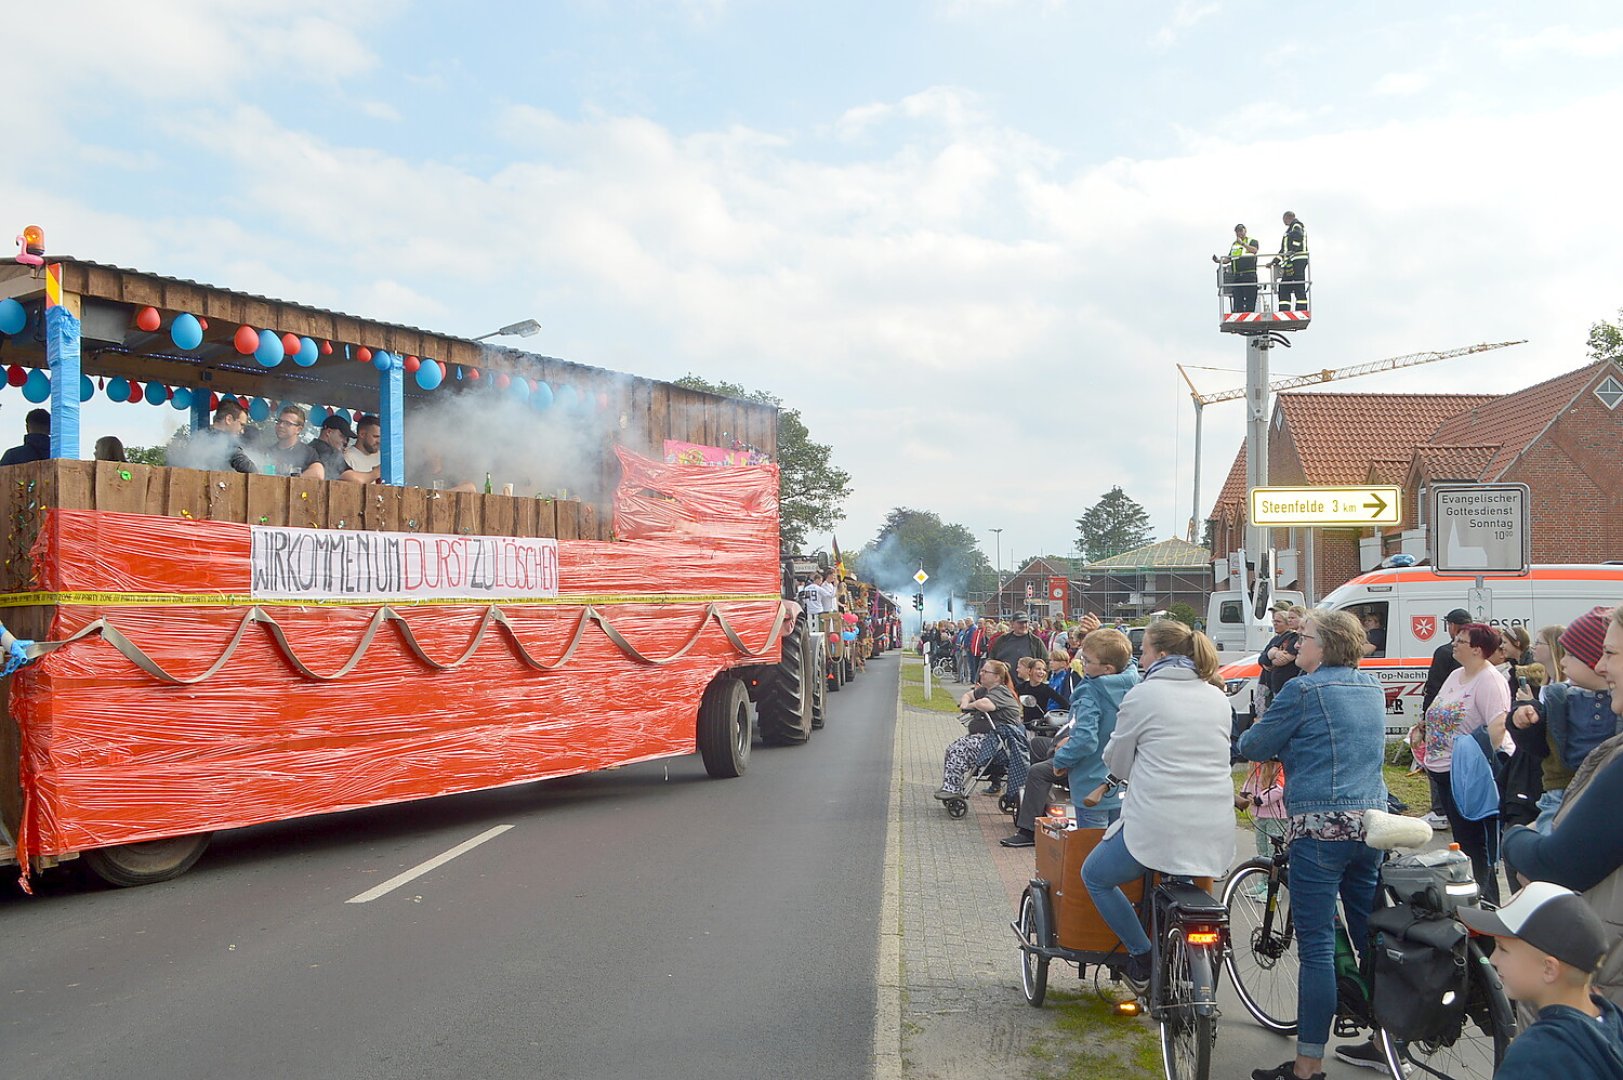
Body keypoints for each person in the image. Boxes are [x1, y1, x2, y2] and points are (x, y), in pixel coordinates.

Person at [1237, 610, 1390, 1080]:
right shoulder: (1372, 688)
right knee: (1373, 936)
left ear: (1323, 647)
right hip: (1371, 825)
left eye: (1302, 638)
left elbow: (1254, 744)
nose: (1295, 644)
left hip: (1320, 828)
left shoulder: (1303, 690)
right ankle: (1388, 1040)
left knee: (1318, 944)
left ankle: (1307, 1064)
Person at [1080, 620, 1234, 990]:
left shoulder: (1144, 695)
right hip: (1213, 823)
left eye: (1145, 650)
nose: (1141, 657)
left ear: (1161, 654)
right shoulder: (1216, 696)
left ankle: (1142, 955)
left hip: (1157, 824)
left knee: (1095, 876)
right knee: (1184, 883)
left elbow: (1117, 761)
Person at [1502, 604, 1623, 1008]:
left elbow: (1560, 861)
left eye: (1611, 654)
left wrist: (1514, 838)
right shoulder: (1560, 698)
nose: (1602, 667)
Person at [1455, 883, 1623, 1076]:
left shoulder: (1533, 1057)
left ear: (1549, 969)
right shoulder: (1613, 1020)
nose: (1493, 959)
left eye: (1503, 949)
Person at [1425, 621, 1512, 904]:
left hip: (1467, 774)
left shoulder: (1489, 681)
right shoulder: (1455, 675)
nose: (1454, 644)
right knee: (1460, 841)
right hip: (1441, 770)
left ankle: (1486, 905)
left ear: (1477, 649)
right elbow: (1438, 709)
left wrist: (1495, 772)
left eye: (1461, 641)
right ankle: (1468, 902)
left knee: (1475, 843)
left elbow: (1497, 728)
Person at [935, 659, 1026, 802]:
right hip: (988, 738)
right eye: (981, 671)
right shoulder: (985, 690)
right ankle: (951, 786)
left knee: (959, 749)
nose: (981, 674)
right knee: (951, 748)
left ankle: (952, 788)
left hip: (1001, 743)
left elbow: (985, 705)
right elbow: (968, 695)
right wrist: (965, 703)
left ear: (996, 677)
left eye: (985, 672)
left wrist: (970, 705)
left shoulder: (1001, 691)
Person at [1420, 607, 1475, 829]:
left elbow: (1433, 687)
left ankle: (1440, 810)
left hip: (1444, 717)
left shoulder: (1444, 652)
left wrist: (1425, 716)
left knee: (1437, 762)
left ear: (1452, 626)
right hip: (1469, 717)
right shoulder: (1478, 651)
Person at [1236, 759, 1287, 900]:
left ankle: (1274, 888)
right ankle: (1263, 882)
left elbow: (1280, 788)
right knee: (1262, 849)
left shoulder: (1279, 765)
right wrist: (1245, 793)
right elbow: (1251, 780)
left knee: (1273, 852)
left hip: (1276, 815)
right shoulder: (1257, 763)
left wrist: (1260, 799)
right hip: (1260, 814)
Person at [181, 399, 255, 473]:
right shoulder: (229, 444)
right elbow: (250, 470)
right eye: (241, 425)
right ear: (228, 419)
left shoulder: (198, 439)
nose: (242, 431)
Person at [1257, 602, 1302, 714]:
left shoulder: (1294, 638)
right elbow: (1262, 659)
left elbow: (1281, 661)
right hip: (1269, 685)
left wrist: (1273, 656)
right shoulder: (1275, 639)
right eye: (1273, 620)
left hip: (1283, 686)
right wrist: (1274, 654)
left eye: (1278, 621)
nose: (1274, 624)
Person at [1214, 224, 1261, 313]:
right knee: (1237, 296)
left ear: (1245, 231)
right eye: (1237, 231)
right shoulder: (1234, 245)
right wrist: (1218, 261)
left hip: (1249, 274)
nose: (1239, 233)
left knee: (1250, 296)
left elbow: (1254, 250)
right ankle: (1239, 312)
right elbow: (1229, 258)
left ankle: (1249, 313)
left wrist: (1243, 243)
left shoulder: (1252, 241)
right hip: (1237, 275)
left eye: (1240, 231)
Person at [266, 406, 320, 477]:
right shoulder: (268, 452)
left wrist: (294, 481)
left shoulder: (308, 453)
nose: (281, 425)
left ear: (299, 429)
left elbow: (318, 473)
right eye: (279, 421)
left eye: (287, 423)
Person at [310, 414, 360, 482]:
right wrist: (374, 473)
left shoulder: (309, 448)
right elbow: (355, 479)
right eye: (342, 436)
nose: (345, 441)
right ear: (329, 432)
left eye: (347, 439)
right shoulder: (330, 452)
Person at [1277, 210, 1309, 312]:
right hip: (1290, 262)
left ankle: (1301, 310)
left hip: (1297, 260)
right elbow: (1284, 250)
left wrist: (1293, 250)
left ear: (1288, 218)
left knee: (1298, 285)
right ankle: (1284, 309)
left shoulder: (1296, 225)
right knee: (1285, 286)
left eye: (1284, 219)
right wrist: (1274, 261)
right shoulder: (1289, 231)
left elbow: (1298, 236)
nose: (1284, 222)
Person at [344, 415, 382, 480]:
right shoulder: (347, 458)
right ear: (362, 434)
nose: (379, 441)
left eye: (381, 437)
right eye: (375, 436)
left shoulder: (382, 457)